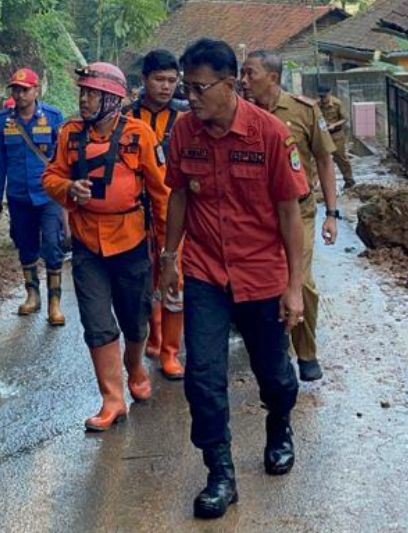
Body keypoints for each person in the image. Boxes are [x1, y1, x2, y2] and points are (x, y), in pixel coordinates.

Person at [160, 38, 306, 519]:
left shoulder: (269, 134)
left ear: (229, 84)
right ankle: (220, 473)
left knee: (276, 375)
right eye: (187, 87)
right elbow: (179, 195)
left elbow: (289, 214)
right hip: (205, 271)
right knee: (202, 376)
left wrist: (293, 287)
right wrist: (169, 257)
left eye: (200, 88)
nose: (191, 97)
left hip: (262, 274)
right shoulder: (184, 132)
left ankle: (279, 423)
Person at [42, 62, 170, 432]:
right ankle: (112, 398)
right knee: (97, 324)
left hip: (131, 242)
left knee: (135, 320)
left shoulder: (140, 135)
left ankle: (134, 366)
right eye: (83, 92)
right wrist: (67, 189)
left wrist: (168, 251)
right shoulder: (69, 134)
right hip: (87, 244)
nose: (84, 99)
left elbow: (162, 195)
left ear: (113, 100)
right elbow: (51, 175)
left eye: (92, 93)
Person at [241, 50, 339, 382]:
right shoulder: (241, 113)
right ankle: (270, 345)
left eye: (250, 73)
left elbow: (325, 160)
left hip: (300, 210)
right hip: (256, 213)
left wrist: (332, 213)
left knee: (301, 282)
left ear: (272, 76)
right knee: (263, 281)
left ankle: (306, 352)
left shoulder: (303, 111)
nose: (243, 81)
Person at [123, 49, 188, 380]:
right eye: (159, 79)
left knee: (174, 276)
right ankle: (155, 335)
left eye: (171, 80)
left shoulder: (188, 117)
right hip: (136, 211)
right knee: (145, 279)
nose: (165, 86)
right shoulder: (125, 118)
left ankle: (171, 352)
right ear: (143, 80)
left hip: (175, 210)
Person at [0, 68, 67, 326]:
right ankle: (32, 295)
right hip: (18, 196)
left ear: (36, 90)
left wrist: (67, 189)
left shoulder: (54, 118)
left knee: (53, 247)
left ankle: (54, 303)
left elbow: (65, 158)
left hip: (49, 195)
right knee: (25, 245)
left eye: (25, 89)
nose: (20, 94)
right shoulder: (2, 122)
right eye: (15, 89)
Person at [318, 85, 355, 189]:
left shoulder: (337, 103)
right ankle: (321, 183)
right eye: (321, 97)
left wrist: (334, 124)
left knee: (340, 157)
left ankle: (349, 179)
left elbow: (345, 118)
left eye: (324, 96)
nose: (323, 99)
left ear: (329, 93)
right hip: (324, 135)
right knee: (321, 158)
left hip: (336, 134)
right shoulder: (317, 105)